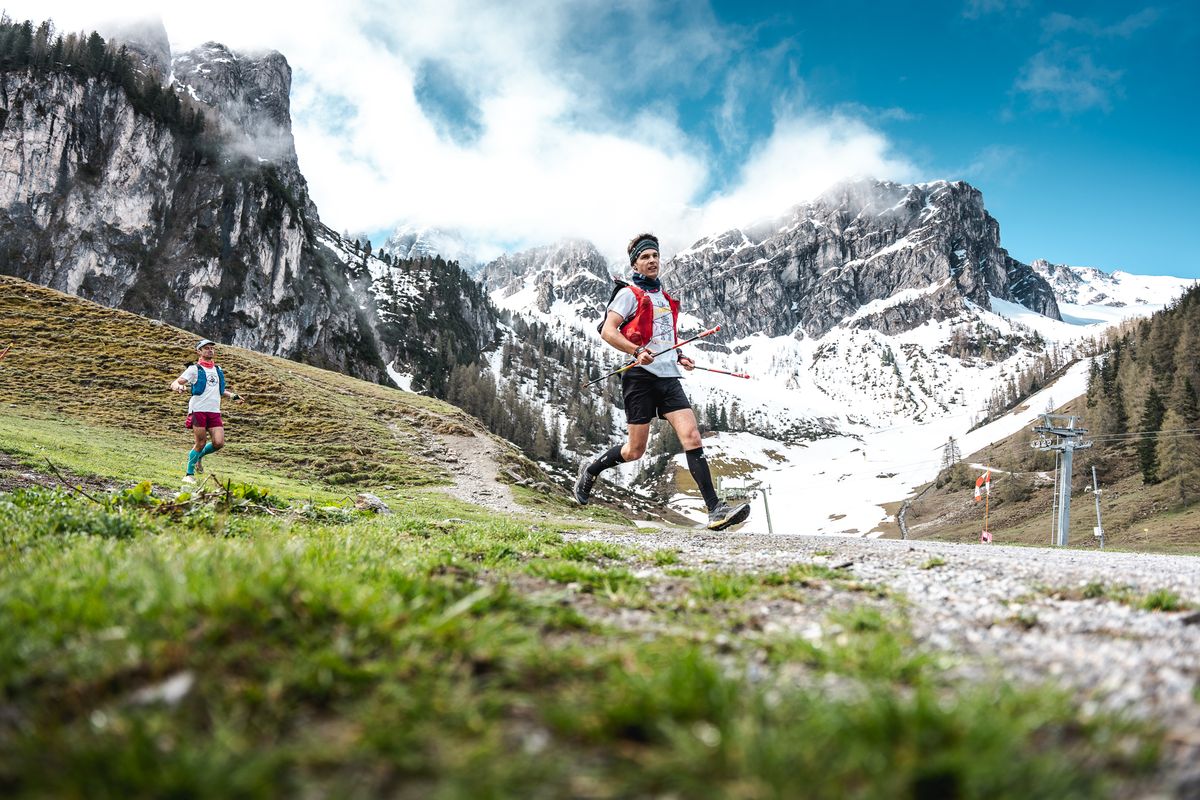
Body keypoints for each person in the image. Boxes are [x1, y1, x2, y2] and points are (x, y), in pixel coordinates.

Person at [574, 233, 750, 531]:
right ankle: (591, 468)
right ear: (635, 264)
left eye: (655, 255)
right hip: (639, 377)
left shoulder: (666, 299)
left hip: (669, 377)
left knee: (692, 437)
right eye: (645, 257)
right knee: (634, 450)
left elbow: (664, 337)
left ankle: (714, 510)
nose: (652, 260)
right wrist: (635, 351)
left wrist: (680, 355)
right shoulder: (628, 294)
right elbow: (607, 330)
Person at [170, 339, 243, 483]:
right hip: (198, 410)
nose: (210, 350)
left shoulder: (218, 369)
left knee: (219, 443)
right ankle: (188, 474)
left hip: (214, 411)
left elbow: (218, 389)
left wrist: (233, 396)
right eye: (206, 348)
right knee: (201, 442)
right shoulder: (194, 369)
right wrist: (179, 387)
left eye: (211, 348)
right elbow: (175, 382)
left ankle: (199, 456)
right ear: (199, 352)